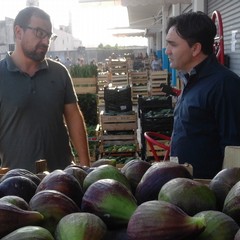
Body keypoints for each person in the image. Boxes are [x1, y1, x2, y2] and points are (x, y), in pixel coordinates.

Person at [0, 7, 91, 173]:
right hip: (17, 182)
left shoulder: (59, 73)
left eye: (49, 36)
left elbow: (73, 118)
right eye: (39, 33)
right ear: (19, 32)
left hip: (62, 179)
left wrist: (85, 166)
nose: (46, 41)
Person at [165, 11, 240, 179]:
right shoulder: (189, 78)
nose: (167, 51)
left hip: (207, 193)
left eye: (173, 45)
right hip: (184, 187)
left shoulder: (225, 85)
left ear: (195, 48)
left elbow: (234, 149)